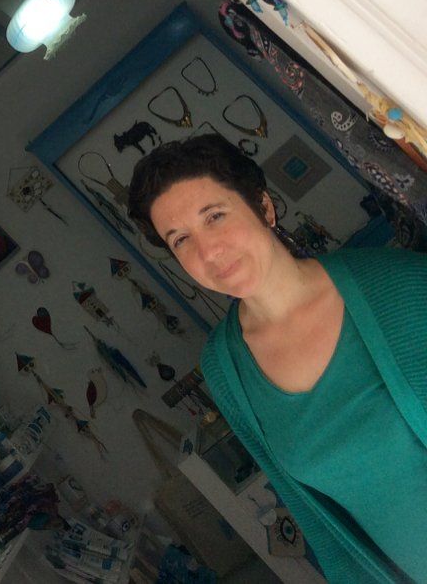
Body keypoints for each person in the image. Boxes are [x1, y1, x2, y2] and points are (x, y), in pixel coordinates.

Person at [127, 133, 427, 583]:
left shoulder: (403, 286)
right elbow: (317, 521)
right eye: (181, 239)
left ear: (264, 208)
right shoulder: (225, 369)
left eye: (215, 216)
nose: (208, 251)